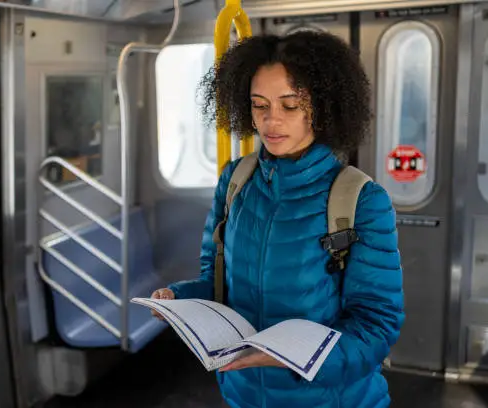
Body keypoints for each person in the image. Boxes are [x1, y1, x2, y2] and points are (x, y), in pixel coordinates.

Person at [151, 30, 404, 408]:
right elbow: (217, 283)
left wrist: (292, 358)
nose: (271, 121)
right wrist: (179, 298)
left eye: (290, 105)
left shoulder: (361, 200)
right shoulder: (235, 181)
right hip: (245, 394)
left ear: (323, 105)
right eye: (259, 105)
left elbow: (376, 325)